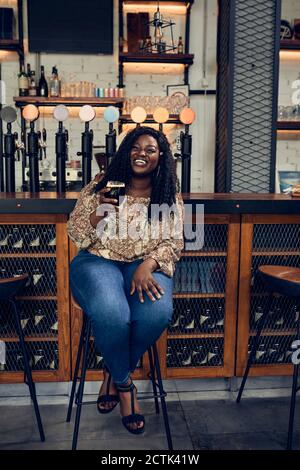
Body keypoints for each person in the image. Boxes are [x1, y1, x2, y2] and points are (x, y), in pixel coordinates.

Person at [67, 126, 184, 435]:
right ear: (126, 151)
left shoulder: (168, 193)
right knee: (112, 313)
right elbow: (76, 233)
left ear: (160, 158)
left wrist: (149, 264)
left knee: (157, 314)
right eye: (136, 147)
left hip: (143, 266)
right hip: (97, 261)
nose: (141, 153)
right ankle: (125, 385)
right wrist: (99, 214)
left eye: (150, 149)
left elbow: (174, 241)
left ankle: (113, 368)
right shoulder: (101, 185)